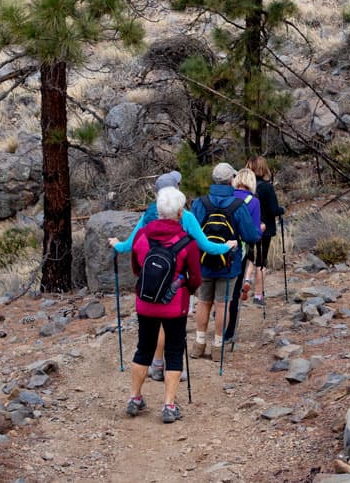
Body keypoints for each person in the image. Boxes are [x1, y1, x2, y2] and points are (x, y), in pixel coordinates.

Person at [109, 171, 235, 381]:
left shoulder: (149, 214)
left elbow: (129, 245)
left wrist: (116, 244)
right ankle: (170, 372)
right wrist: (226, 247)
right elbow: (205, 246)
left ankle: (157, 365)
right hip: (176, 285)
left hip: (149, 284)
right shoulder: (185, 217)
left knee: (155, 326)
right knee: (172, 328)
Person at [126, 187, 201, 423]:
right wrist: (185, 285)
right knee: (174, 351)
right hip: (174, 305)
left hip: (145, 303)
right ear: (180, 212)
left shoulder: (142, 236)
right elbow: (196, 278)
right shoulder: (187, 242)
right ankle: (169, 405)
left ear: (158, 211)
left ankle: (135, 398)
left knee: (144, 348)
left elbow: (137, 269)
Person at [189, 162, 262, 363]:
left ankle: (199, 344)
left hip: (204, 261)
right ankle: (218, 346)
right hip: (229, 264)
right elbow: (250, 236)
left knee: (203, 302)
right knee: (223, 305)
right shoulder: (237, 206)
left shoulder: (200, 203)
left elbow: (191, 233)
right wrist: (259, 232)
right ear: (231, 180)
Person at [224, 168, 263, 344]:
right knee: (234, 291)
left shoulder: (227, 197)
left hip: (220, 246)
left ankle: (217, 320)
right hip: (240, 249)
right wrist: (261, 230)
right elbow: (253, 233)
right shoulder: (253, 202)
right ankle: (229, 331)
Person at [242, 155, 285, 305]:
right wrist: (281, 210)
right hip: (265, 228)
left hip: (247, 228)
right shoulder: (267, 187)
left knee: (248, 256)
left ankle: (246, 279)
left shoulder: (244, 188)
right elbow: (274, 209)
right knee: (262, 261)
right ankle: (258, 295)